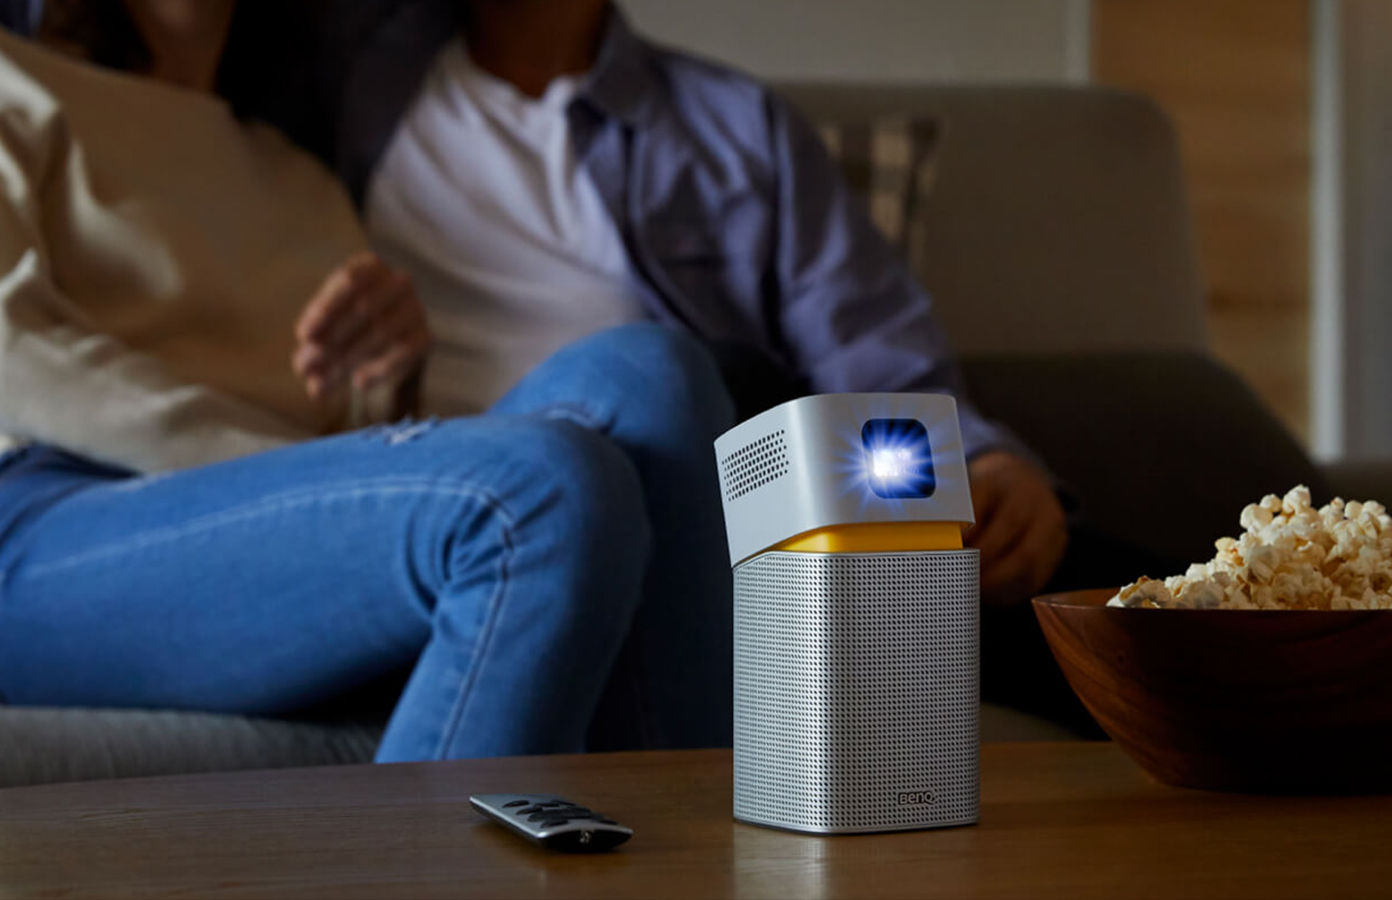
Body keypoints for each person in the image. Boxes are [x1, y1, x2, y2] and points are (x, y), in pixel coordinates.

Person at [0, 0, 736, 757]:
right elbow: (12, 353)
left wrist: (386, 383)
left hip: (250, 528)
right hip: (42, 522)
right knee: (535, 489)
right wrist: (291, 468)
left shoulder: (297, 175)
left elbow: (346, 454)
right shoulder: (14, 82)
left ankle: (696, 856)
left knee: (652, 375)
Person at [249, 0, 1074, 612]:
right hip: (471, 490)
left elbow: (875, 353)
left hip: (714, 494)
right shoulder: (338, 75)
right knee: (662, 369)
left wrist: (986, 464)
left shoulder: (736, 125)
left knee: (1101, 596)